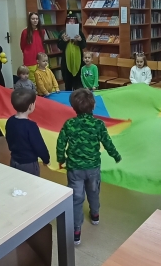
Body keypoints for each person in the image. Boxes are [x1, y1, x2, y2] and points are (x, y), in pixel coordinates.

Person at [56, 89, 121, 245]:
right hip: (93, 168)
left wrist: (61, 158)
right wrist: (116, 155)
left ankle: (76, 230)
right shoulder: (98, 124)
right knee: (93, 191)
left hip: (74, 169)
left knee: (76, 198)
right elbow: (107, 143)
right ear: (93, 105)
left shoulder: (69, 124)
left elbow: (60, 143)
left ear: (73, 107)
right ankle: (95, 214)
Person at [5, 88, 50, 176]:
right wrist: (46, 159)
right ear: (30, 106)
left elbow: (8, 138)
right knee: (31, 182)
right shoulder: (31, 126)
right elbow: (39, 145)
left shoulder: (10, 120)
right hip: (29, 164)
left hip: (14, 160)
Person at [57, 13, 86, 91]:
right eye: (70, 21)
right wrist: (64, 41)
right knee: (68, 83)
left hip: (78, 61)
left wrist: (80, 40)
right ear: (66, 22)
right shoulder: (62, 33)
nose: (72, 23)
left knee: (78, 84)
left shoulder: (80, 32)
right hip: (66, 61)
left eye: (74, 21)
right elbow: (59, 46)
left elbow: (84, 45)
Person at [20, 12, 45, 83]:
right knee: (32, 82)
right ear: (29, 20)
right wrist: (28, 53)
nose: (35, 20)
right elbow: (22, 46)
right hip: (30, 60)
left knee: (42, 80)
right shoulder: (25, 32)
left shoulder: (42, 31)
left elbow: (42, 43)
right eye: (33, 19)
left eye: (37, 19)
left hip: (41, 58)